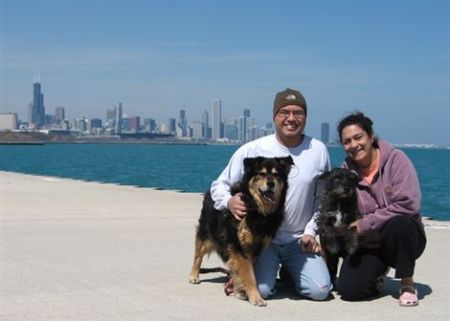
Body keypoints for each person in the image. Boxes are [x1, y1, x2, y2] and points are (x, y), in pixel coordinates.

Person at [210, 88, 332, 301]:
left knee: (321, 291)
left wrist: (311, 232)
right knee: (262, 291)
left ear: (306, 117)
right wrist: (229, 201)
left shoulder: (318, 150)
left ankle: (289, 271)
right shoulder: (254, 148)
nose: (291, 118)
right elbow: (219, 184)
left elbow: (322, 200)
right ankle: (250, 272)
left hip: (298, 240)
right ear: (275, 116)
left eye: (298, 113)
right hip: (264, 240)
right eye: (285, 112)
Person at [335, 111, 426, 306]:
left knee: (399, 223)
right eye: (347, 141)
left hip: (404, 237)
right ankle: (378, 277)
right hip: (370, 243)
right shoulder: (346, 170)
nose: (354, 145)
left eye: (358, 137)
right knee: (348, 290)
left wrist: (365, 223)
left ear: (370, 136)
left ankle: (407, 284)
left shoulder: (396, 160)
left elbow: (408, 205)